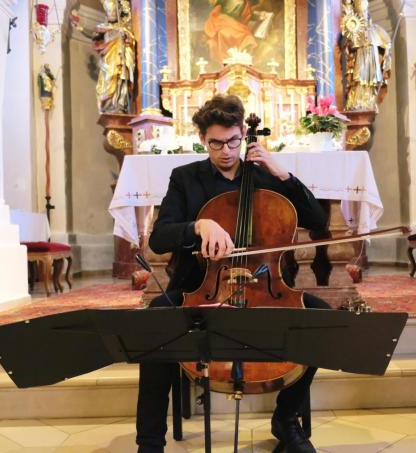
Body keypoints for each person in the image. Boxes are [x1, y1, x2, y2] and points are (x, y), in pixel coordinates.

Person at [136, 95, 328, 453]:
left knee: (324, 321)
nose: (226, 151)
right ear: (201, 138)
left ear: (244, 135)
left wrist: (281, 173)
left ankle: (286, 419)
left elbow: (317, 221)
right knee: (154, 327)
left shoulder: (267, 179)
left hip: (266, 290)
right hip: (200, 287)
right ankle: (149, 444)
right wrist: (198, 225)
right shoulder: (185, 179)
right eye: (216, 143)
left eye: (233, 141)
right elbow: (161, 238)